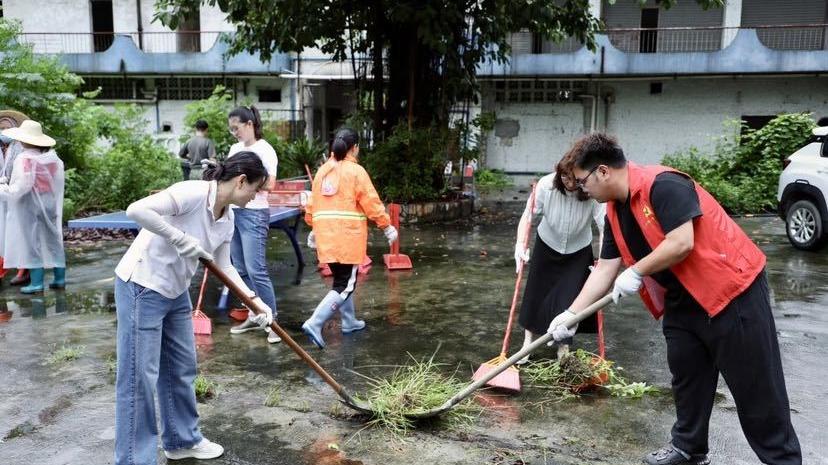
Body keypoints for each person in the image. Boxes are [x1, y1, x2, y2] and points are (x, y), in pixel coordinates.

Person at [546, 133, 801, 465]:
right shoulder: (613, 211)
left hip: (731, 293)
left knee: (756, 388)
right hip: (683, 298)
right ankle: (688, 448)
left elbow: (682, 242)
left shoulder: (662, 184)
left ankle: (782, 459)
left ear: (604, 172)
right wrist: (571, 314)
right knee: (687, 373)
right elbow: (605, 269)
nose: (583, 190)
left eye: (583, 182)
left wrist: (637, 271)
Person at [113, 152, 274, 464]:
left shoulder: (228, 217)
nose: (256, 196)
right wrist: (177, 237)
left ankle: (181, 440)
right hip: (142, 285)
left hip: (175, 291)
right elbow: (137, 209)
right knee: (138, 377)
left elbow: (225, 266)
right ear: (241, 181)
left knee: (181, 368)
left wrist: (256, 303)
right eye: (255, 189)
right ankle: (134, 459)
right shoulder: (193, 193)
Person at [302, 128, 398, 349]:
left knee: (341, 281)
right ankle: (315, 323)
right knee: (345, 285)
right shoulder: (356, 172)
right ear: (354, 148)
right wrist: (386, 225)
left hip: (326, 237)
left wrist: (314, 228)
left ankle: (349, 321)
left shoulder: (323, 170)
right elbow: (371, 202)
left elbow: (312, 205)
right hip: (347, 238)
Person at [514, 152, 605, 363]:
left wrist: (602, 260)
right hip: (547, 244)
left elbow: (604, 226)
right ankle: (527, 345)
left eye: (573, 177)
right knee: (536, 294)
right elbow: (528, 216)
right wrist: (520, 244)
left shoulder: (592, 189)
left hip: (579, 250)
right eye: (564, 176)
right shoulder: (546, 185)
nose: (569, 182)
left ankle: (563, 349)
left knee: (570, 299)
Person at [223, 106, 281, 344]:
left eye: (236, 128)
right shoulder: (235, 149)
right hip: (233, 212)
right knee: (240, 269)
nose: (234, 133)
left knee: (256, 270)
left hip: (254, 213)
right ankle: (254, 313)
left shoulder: (265, 150)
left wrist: (244, 184)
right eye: (231, 129)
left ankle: (273, 321)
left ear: (249, 124)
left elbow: (270, 185)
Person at [0, 120, 65, 294]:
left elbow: (23, 186)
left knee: (32, 243)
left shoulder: (24, 158)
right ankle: (60, 279)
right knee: (53, 240)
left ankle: (36, 283)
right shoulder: (52, 158)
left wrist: (5, 189)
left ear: (23, 140)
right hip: (49, 203)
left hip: (30, 205)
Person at [0, 112, 25, 283]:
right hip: (3, 195)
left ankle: (24, 271)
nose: (4, 131)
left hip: (16, 195)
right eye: (1, 128)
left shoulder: (20, 148)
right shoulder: (2, 149)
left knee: (20, 234)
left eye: (7, 128)